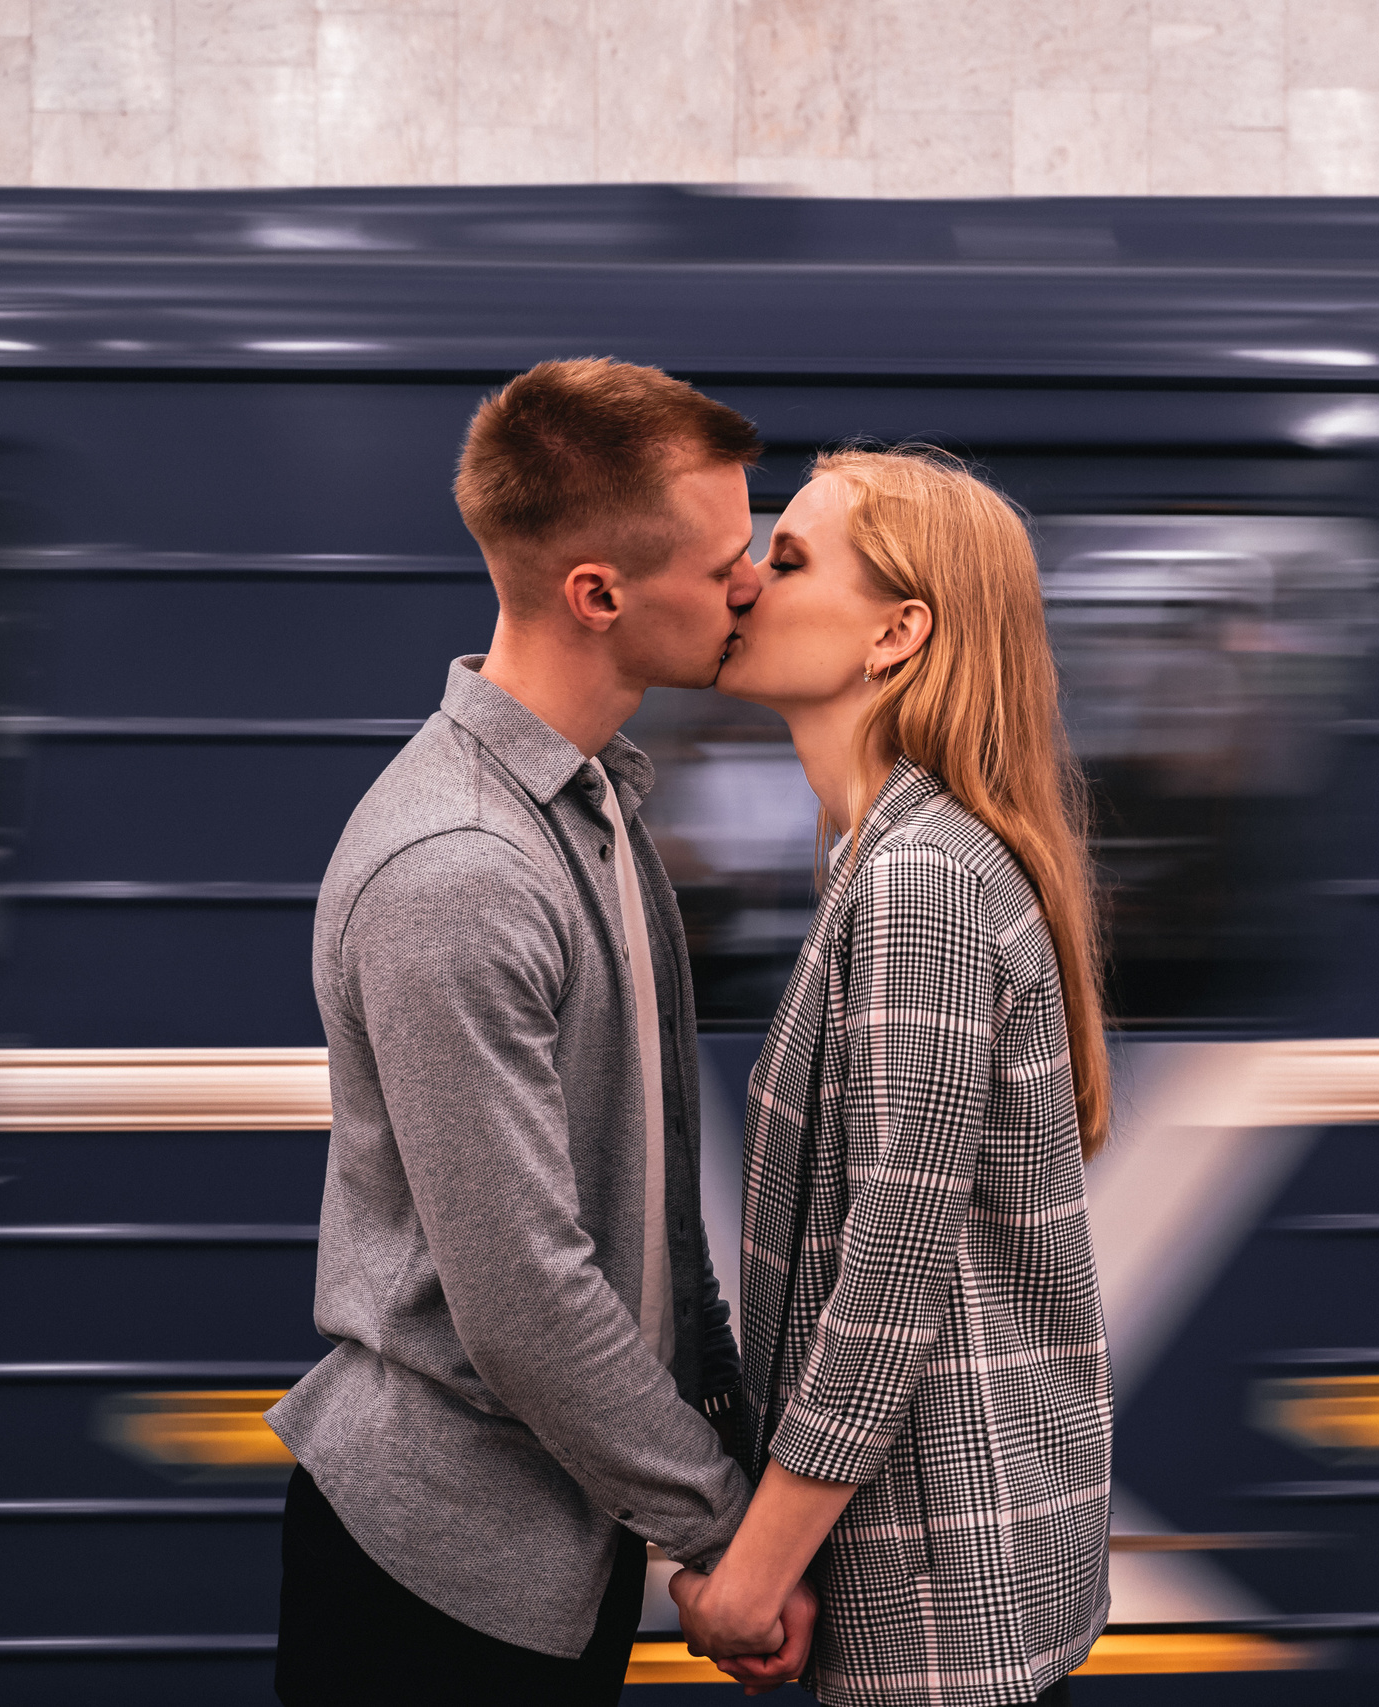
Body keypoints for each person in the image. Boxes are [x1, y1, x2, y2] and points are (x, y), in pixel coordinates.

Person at [269, 358, 815, 1703]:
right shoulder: (460, 867)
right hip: (436, 1574)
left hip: (544, 1548)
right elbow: (522, 1297)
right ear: (599, 593)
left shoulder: (597, 803)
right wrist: (723, 1527)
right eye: (726, 561)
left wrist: (721, 1460)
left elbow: (643, 1205)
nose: (752, 585)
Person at [672, 446, 1115, 1706]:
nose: (745, 581)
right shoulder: (890, 859)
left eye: (790, 558)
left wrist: (756, 1570)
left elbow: (889, 1271)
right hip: (946, 1558)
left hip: (938, 1583)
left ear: (898, 634)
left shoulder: (919, 882)